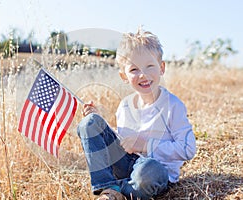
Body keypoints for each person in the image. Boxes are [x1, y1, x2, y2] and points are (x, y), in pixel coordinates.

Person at [77, 28, 196, 200]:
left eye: (150, 66)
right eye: (134, 69)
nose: (143, 75)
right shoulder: (125, 106)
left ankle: (121, 191)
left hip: (154, 172)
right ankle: (108, 188)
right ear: (123, 76)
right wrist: (100, 123)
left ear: (161, 67)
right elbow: (124, 143)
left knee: (148, 171)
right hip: (127, 165)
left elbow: (188, 149)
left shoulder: (172, 106)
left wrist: (147, 145)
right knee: (89, 123)